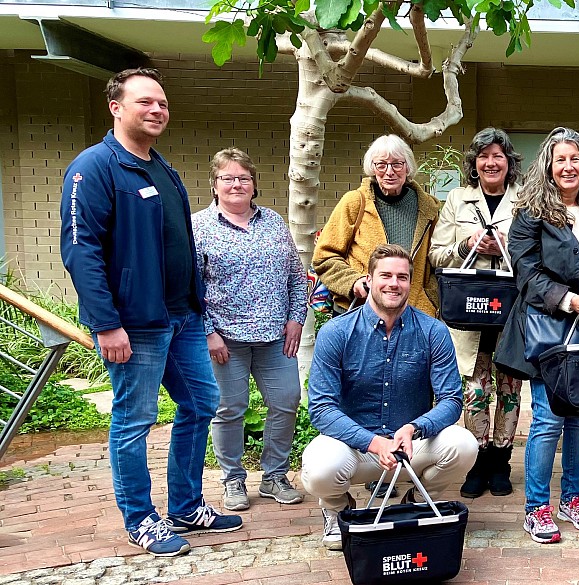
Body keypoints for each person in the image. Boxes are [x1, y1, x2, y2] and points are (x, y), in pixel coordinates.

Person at [60, 68, 242, 557]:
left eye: (162, 102)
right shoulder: (93, 168)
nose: (157, 110)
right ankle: (141, 519)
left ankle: (185, 505)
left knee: (201, 404)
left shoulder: (162, 168)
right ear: (116, 107)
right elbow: (82, 251)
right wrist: (106, 323)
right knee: (134, 420)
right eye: (145, 102)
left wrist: (199, 315)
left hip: (182, 318)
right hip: (135, 325)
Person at [494, 127, 579, 544]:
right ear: (549, 167)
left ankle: (573, 498)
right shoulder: (530, 212)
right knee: (549, 419)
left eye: (576, 159)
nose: (568, 167)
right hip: (546, 327)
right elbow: (526, 272)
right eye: (560, 160)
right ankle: (536, 507)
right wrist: (568, 299)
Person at [301, 244, 478, 551]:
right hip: (355, 446)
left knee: (464, 445)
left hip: (409, 444)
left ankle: (421, 500)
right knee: (320, 468)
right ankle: (337, 507)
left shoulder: (433, 331)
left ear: (411, 282)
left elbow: (451, 399)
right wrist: (372, 442)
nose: (394, 283)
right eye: (385, 275)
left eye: (402, 277)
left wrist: (413, 428)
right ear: (368, 279)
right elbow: (321, 408)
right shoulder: (337, 332)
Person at [193, 148, 308, 512]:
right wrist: (208, 332)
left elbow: (296, 275)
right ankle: (232, 479)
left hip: (276, 337)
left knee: (287, 401)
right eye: (227, 178)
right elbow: (188, 286)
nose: (236, 184)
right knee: (229, 409)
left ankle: (274, 476)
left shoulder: (274, 222)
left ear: (254, 185)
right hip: (226, 340)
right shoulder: (198, 227)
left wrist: (296, 319)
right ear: (214, 185)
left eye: (243, 177)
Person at [428, 128, 523, 499]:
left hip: (509, 311)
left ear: (508, 162)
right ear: (475, 163)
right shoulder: (457, 199)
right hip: (470, 311)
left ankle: (502, 461)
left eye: (498, 156)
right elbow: (436, 255)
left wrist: (504, 245)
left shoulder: (524, 200)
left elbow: (536, 255)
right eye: (484, 156)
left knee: (509, 388)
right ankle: (478, 461)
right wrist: (465, 244)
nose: (491, 163)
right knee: (474, 390)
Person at [313, 134, 440, 315]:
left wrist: (429, 297)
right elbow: (324, 256)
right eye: (381, 165)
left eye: (397, 164)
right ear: (372, 168)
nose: (389, 172)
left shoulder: (428, 208)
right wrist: (353, 281)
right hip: (361, 310)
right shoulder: (355, 202)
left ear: (407, 167)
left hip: (413, 313)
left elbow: (438, 262)